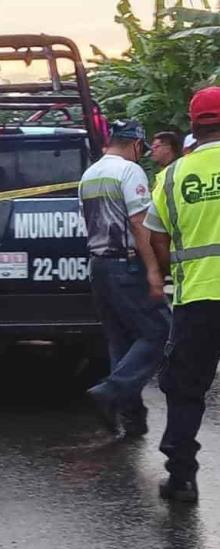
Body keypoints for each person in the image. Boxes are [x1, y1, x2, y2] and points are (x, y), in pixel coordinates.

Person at [143, 87, 220, 503]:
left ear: (193, 126)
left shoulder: (172, 176)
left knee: (186, 387)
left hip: (198, 299)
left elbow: (157, 237)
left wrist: (174, 270)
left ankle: (182, 478)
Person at [78, 120, 171, 436]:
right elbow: (138, 224)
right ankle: (111, 392)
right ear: (135, 144)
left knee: (121, 341)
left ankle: (130, 418)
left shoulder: (89, 174)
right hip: (126, 266)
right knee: (160, 330)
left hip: (99, 267)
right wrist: (154, 270)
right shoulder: (130, 172)